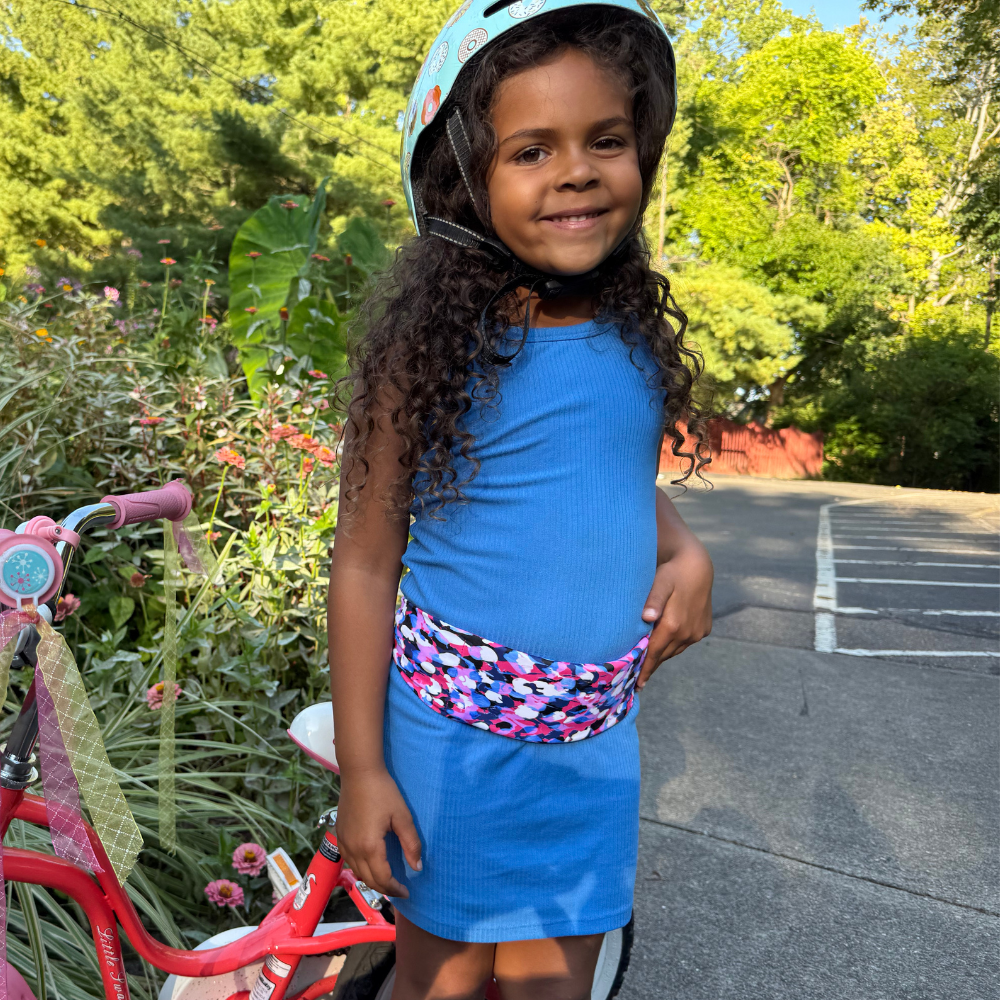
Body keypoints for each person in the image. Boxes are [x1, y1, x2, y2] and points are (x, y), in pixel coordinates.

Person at [328, 2, 714, 997]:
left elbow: (617, 484)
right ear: (463, 173)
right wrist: (366, 772)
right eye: (530, 150)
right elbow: (366, 565)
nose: (575, 171)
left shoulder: (628, 333)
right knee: (443, 984)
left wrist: (687, 554)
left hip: (591, 745)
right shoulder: (427, 354)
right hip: (453, 747)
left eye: (606, 141)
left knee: (554, 987)